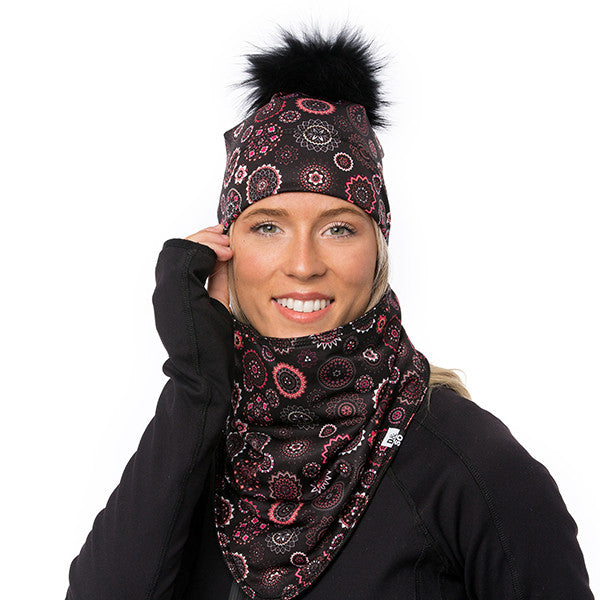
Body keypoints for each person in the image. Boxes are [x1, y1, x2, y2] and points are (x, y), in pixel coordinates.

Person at [65, 28, 594, 600]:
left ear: (378, 251)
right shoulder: (198, 442)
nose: (303, 265)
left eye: (339, 229)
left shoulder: (472, 465)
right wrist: (196, 380)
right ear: (224, 247)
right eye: (268, 226)